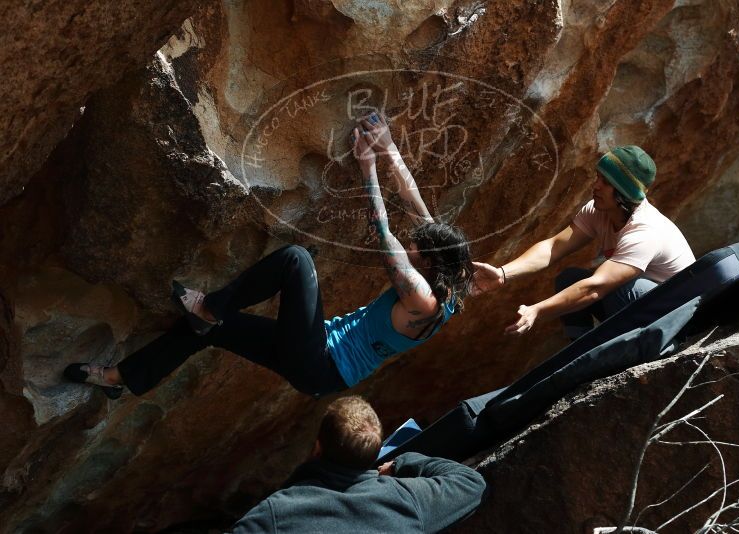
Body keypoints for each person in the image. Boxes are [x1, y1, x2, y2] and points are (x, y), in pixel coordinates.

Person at [64, 112, 474, 399]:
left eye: (416, 250)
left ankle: (211, 307)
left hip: (321, 363)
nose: (412, 246)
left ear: (429, 263)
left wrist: (367, 167)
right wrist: (389, 147)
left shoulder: (421, 296)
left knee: (296, 260)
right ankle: (121, 377)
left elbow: (382, 228)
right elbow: (412, 199)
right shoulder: (448, 276)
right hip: (315, 353)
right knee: (212, 332)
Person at [472, 145, 695, 340]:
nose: (595, 185)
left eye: (605, 182)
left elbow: (595, 288)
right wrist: (503, 273)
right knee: (569, 278)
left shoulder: (645, 231)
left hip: (678, 318)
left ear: (623, 193)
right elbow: (554, 247)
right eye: (598, 177)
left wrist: (537, 310)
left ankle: (627, 350)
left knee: (619, 289)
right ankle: (580, 348)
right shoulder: (599, 210)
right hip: (644, 307)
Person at [230, 396, 486, 534]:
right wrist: (402, 462)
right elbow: (471, 483)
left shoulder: (278, 512)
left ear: (318, 447)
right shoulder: (406, 500)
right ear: (375, 455)